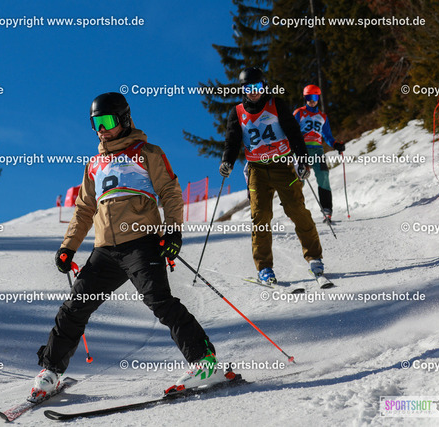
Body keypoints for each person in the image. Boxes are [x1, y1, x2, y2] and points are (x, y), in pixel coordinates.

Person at [30, 92, 222, 401]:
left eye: (106, 122)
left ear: (124, 119)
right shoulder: (94, 165)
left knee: (160, 301)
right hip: (105, 251)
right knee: (74, 308)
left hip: (141, 244)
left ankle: (204, 361)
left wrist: (173, 231)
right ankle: (51, 371)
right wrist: (68, 247)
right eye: (95, 123)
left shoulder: (147, 153)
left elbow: (170, 192)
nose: (101, 130)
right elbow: (84, 210)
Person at [219, 68, 325, 285]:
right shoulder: (237, 112)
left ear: (264, 86)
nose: (254, 92)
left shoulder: (276, 104)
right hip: (257, 169)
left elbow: (294, 133)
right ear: (243, 90)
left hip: (283, 165)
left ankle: (314, 257)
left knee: (296, 210)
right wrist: (227, 162)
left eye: (257, 87)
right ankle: (264, 267)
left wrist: (303, 160)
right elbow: (232, 141)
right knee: (261, 217)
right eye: (248, 88)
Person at [293, 85, 345, 223]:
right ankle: (295, 208)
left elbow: (327, 136)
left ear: (318, 98)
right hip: (302, 150)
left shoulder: (323, 117)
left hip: (317, 150)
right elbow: (291, 131)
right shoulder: (299, 113)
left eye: (314, 97)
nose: (312, 101)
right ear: (305, 98)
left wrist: (336, 144)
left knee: (323, 176)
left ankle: (327, 210)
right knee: (299, 179)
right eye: (309, 97)